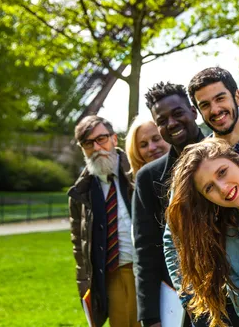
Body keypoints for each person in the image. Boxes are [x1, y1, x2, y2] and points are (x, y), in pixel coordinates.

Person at [165, 139, 239, 327]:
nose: (222, 187)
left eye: (222, 172)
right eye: (209, 188)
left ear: (238, 161)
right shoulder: (227, 241)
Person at [132, 82, 204, 327]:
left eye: (177, 113)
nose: (171, 123)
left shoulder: (227, 156)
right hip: (181, 302)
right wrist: (150, 316)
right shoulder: (149, 177)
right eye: (162, 120)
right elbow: (146, 250)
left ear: (193, 111)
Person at [68, 115, 140, 327]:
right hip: (112, 276)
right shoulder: (80, 192)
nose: (97, 147)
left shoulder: (137, 172)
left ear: (114, 139)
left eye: (102, 139)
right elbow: (79, 246)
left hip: (146, 270)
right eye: (88, 143)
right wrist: (85, 292)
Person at [186, 66, 239, 165]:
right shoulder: (196, 163)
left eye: (220, 98)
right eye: (205, 105)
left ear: (237, 97)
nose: (215, 110)